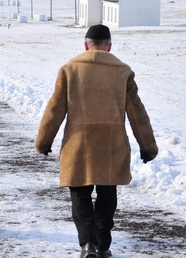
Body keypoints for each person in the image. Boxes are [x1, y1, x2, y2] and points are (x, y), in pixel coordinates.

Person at [35, 24, 158, 258]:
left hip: (78, 145)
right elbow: (137, 112)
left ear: (85, 45)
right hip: (112, 146)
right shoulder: (123, 72)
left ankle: (86, 245)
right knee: (107, 196)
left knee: (80, 195)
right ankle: (103, 246)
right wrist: (148, 147)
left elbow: (55, 110)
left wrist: (43, 142)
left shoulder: (70, 70)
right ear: (109, 46)